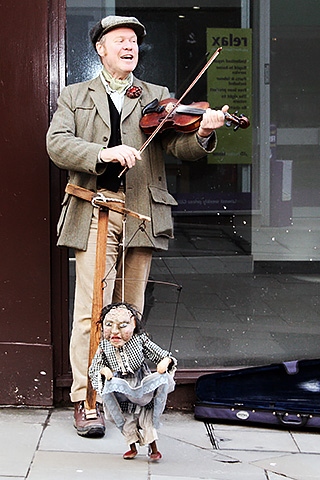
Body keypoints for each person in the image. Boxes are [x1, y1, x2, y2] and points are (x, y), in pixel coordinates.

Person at [46, 14, 228, 437]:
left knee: (130, 311)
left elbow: (179, 144)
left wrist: (202, 131)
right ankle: (87, 399)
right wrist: (103, 154)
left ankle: (124, 391)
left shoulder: (157, 96)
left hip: (142, 212)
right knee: (94, 312)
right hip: (95, 210)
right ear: (101, 49)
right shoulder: (75, 95)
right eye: (121, 40)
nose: (130, 47)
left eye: (134, 41)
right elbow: (57, 143)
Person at [89, 302, 176, 460]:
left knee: (146, 419)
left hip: (141, 384)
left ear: (134, 324)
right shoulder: (104, 346)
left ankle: (153, 448)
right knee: (126, 419)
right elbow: (95, 368)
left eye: (122, 326)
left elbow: (160, 354)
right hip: (120, 386)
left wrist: (166, 361)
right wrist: (103, 371)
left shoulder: (140, 340)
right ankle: (132, 447)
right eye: (109, 325)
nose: (115, 332)